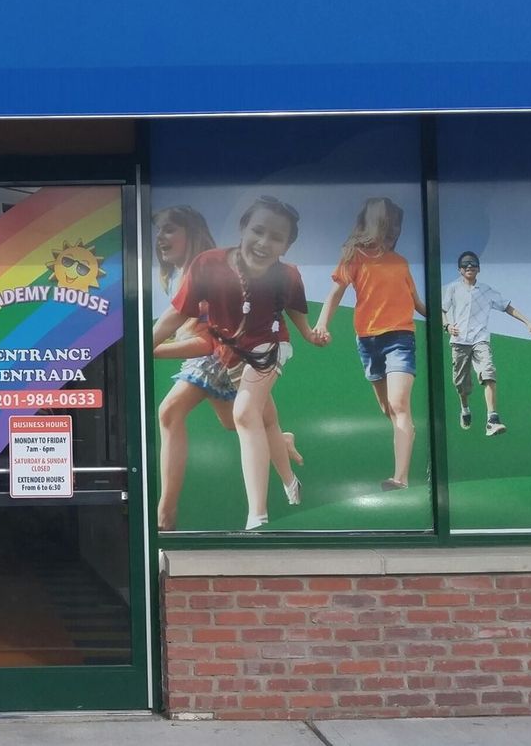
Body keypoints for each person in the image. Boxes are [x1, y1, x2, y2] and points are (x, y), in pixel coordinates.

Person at [153, 196, 327, 531]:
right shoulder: (206, 266)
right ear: (243, 228)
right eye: (257, 231)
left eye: (276, 238)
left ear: (286, 245)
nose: (264, 243)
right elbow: (176, 316)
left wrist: (307, 334)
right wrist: (145, 345)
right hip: (228, 352)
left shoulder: (284, 275)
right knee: (254, 422)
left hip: (263, 348)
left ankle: (255, 517)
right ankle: (282, 450)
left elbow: (293, 309)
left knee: (243, 414)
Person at [311, 197, 425, 491]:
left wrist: (445, 318)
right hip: (368, 341)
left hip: (400, 337)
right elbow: (335, 294)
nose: (392, 233)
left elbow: (417, 304)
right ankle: (405, 432)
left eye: (396, 228)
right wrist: (322, 323)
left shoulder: (400, 263)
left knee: (400, 404)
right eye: (388, 226)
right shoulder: (356, 257)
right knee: (387, 408)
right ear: (373, 226)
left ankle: (400, 478)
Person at [441, 250, 531, 436]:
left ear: (478, 269)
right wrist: (447, 326)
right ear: (460, 270)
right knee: (461, 384)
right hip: (459, 341)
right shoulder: (453, 289)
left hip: (480, 339)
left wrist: (528, 322)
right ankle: (465, 408)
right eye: (465, 265)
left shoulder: (487, 291)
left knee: (488, 372)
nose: (469, 267)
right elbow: (443, 309)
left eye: (473, 264)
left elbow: (507, 307)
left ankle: (492, 419)